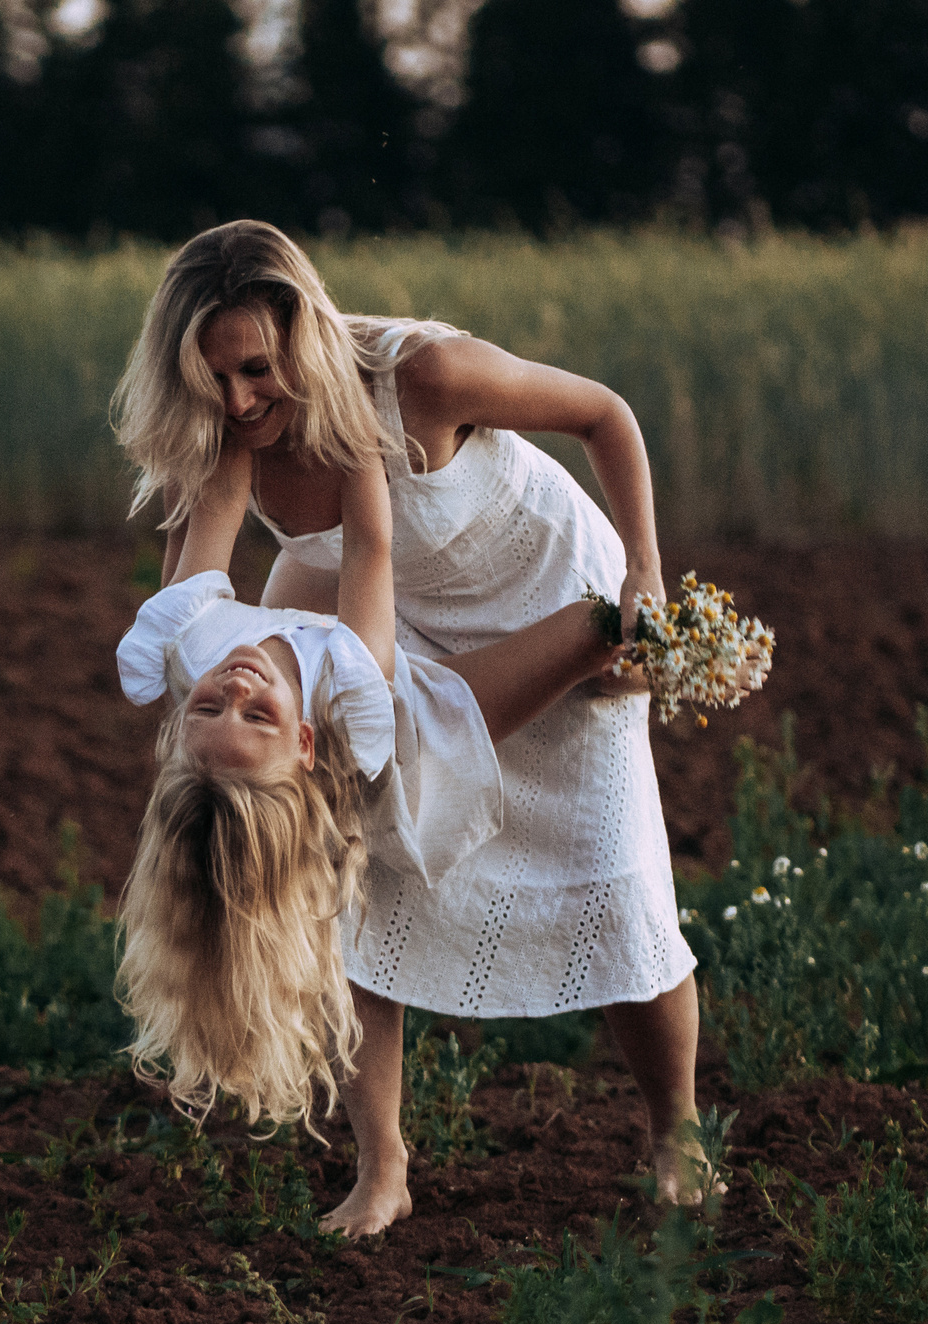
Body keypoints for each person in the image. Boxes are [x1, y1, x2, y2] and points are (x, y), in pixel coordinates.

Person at [110, 220, 703, 1236]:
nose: (242, 400)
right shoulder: (224, 435)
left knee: (615, 877)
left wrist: (644, 576)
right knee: (356, 880)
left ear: (302, 333)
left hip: (553, 593)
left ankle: (676, 1131)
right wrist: (237, 739)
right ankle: (382, 1169)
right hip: (388, 635)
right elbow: (206, 592)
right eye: (215, 382)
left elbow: (605, 415)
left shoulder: (421, 375)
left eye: (258, 370)